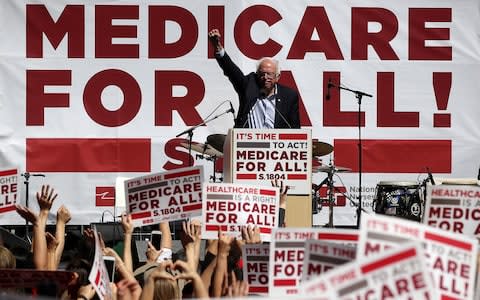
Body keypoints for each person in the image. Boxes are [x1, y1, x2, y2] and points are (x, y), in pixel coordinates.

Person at [208, 29, 300, 129]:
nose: (265, 78)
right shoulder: (248, 86)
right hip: (248, 143)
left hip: (277, 143)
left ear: (277, 77)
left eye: (269, 74)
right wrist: (218, 47)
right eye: (262, 74)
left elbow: (295, 129)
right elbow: (231, 71)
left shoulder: (289, 96)